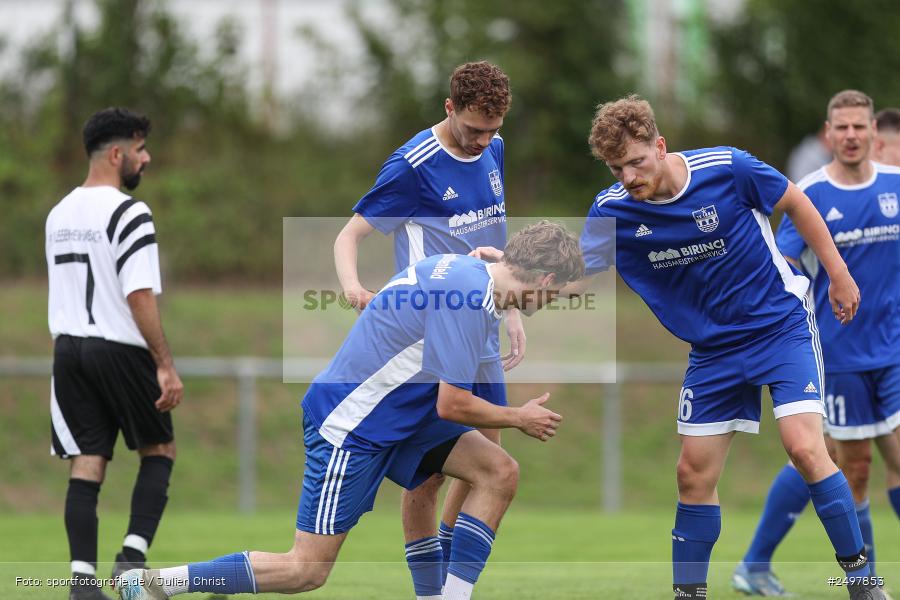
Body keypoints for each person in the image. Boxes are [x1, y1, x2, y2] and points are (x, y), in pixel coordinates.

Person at [116, 221, 585, 600]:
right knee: (306, 570)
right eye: (557, 293)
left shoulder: (466, 271)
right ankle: (157, 584)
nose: (552, 302)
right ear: (545, 281)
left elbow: (484, 265)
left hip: (402, 418)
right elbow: (453, 403)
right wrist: (519, 417)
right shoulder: (466, 297)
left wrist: (500, 271)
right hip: (352, 425)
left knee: (498, 472)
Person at [577, 94, 881, 600]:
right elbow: (574, 269)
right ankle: (688, 593)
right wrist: (507, 274)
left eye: (635, 162)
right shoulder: (614, 210)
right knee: (692, 474)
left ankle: (862, 582)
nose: (628, 177)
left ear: (660, 145)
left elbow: (796, 202)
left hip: (779, 325)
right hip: (714, 350)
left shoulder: (728, 168)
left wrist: (838, 273)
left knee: (805, 447)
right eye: (616, 168)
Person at [333, 60, 525, 599]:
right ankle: (430, 590)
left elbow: (495, 235)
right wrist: (352, 288)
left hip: (481, 322)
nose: (484, 140)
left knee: (487, 462)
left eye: (494, 129)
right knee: (430, 470)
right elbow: (349, 235)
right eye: (473, 129)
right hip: (427, 334)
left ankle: (445, 585)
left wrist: (510, 311)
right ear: (449, 108)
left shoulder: (494, 148)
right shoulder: (412, 165)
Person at [732, 91, 900, 597]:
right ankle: (862, 582)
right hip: (839, 353)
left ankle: (758, 564)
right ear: (828, 134)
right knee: (853, 466)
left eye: (859, 127)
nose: (850, 136)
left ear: (874, 131)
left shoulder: (896, 186)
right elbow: (779, 267)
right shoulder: (808, 192)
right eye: (841, 128)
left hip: (893, 353)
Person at [46, 107, 183, 600]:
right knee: (159, 449)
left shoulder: (58, 213)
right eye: (141, 150)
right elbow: (138, 295)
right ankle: (131, 559)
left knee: (87, 461)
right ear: (117, 153)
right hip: (119, 347)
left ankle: (82, 583)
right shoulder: (130, 212)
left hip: (68, 350)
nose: (146, 159)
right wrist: (164, 363)